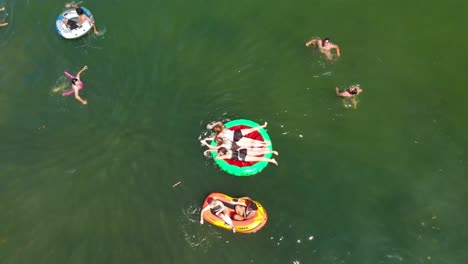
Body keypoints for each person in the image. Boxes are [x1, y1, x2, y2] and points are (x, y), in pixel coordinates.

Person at [206, 121, 271, 147]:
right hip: (237, 134)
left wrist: (207, 138)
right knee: (251, 133)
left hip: (236, 136)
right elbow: (219, 122)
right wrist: (213, 125)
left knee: (251, 141)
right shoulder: (223, 128)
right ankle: (264, 142)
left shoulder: (220, 132)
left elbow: (214, 137)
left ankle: (264, 143)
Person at [214, 147, 278, 165]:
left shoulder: (226, 155)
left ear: (222, 152)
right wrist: (221, 150)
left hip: (242, 157)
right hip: (242, 151)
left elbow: (216, 158)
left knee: (259, 158)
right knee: (257, 153)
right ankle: (272, 151)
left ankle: (271, 160)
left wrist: (219, 153)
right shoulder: (228, 150)